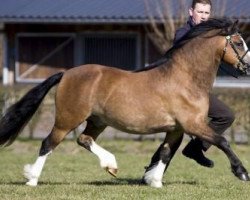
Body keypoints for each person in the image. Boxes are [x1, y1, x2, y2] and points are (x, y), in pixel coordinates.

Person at [173, 0, 235, 168]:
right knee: (173, 136)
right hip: (179, 92)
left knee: (226, 115)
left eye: (207, 13)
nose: (203, 16)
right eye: (200, 12)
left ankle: (195, 148)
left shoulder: (212, 36)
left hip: (198, 93)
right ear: (191, 12)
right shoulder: (183, 33)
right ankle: (152, 169)